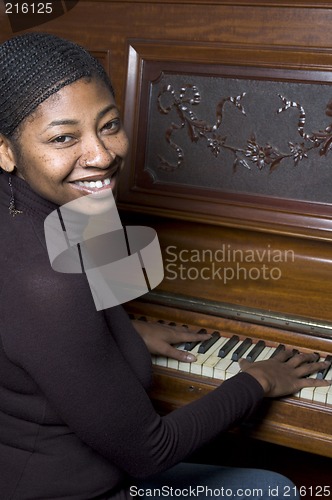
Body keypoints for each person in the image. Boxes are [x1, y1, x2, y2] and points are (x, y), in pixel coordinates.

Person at [0, 32, 329, 500]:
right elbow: (149, 452)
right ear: (5, 149)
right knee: (273, 488)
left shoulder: (52, 195)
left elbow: (99, 298)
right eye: (63, 137)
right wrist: (256, 380)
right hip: (74, 490)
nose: (102, 155)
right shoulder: (44, 278)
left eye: (109, 125)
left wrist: (124, 332)